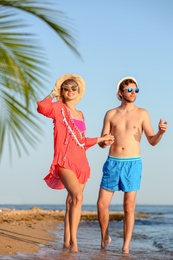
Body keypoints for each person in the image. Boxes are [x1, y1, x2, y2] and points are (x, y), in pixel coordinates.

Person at [36, 74, 114, 253]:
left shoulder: (80, 114)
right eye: (66, 88)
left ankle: (65, 242)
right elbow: (41, 107)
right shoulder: (57, 108)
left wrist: (101, 139)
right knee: (78, 197)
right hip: (64, 161)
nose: (70, 90)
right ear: (62, 92)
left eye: (73, 88)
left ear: (78, 92)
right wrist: (52, 93)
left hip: (82, 163)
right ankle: (75, 243)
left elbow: (82, 141)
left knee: (71, 201)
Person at [97, 76, 168, 254]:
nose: (133, 93)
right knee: (101, 204)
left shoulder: (143, 113)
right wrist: (105, 142)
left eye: (136, 90)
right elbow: (102, 140)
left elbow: (152, 141)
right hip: (113, 162)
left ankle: (126, 247)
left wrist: (160, 132)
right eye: (130, 90)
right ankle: (104, 238)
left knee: (129, 206)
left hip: (132, 163)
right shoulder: (111, 114)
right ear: (120, 93)